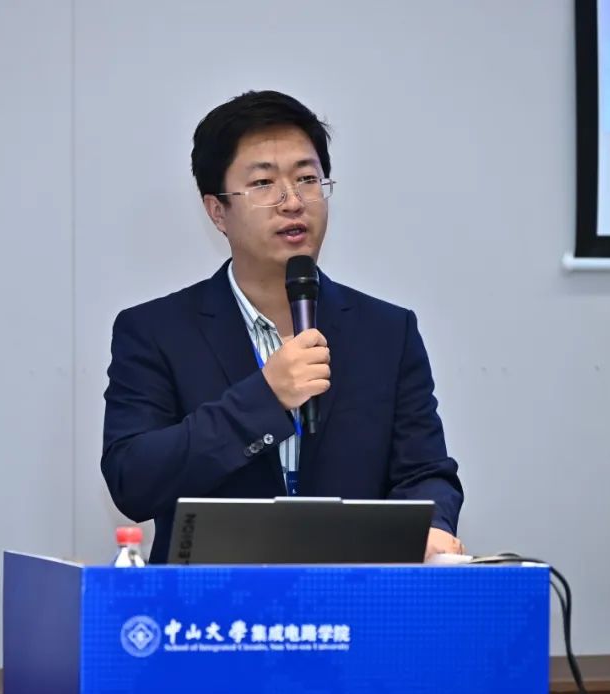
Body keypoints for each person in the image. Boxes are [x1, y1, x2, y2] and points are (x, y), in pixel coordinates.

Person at [101, 90, 463, 563]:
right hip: (211, 599)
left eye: (307, 179)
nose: (293, 202)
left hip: (352, 593)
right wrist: (264, 399)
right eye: (263, 183)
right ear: (217, 210)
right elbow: (133, 480)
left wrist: (432, 525)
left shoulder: (387, 332)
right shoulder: (155, 331)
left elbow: (426, 471)